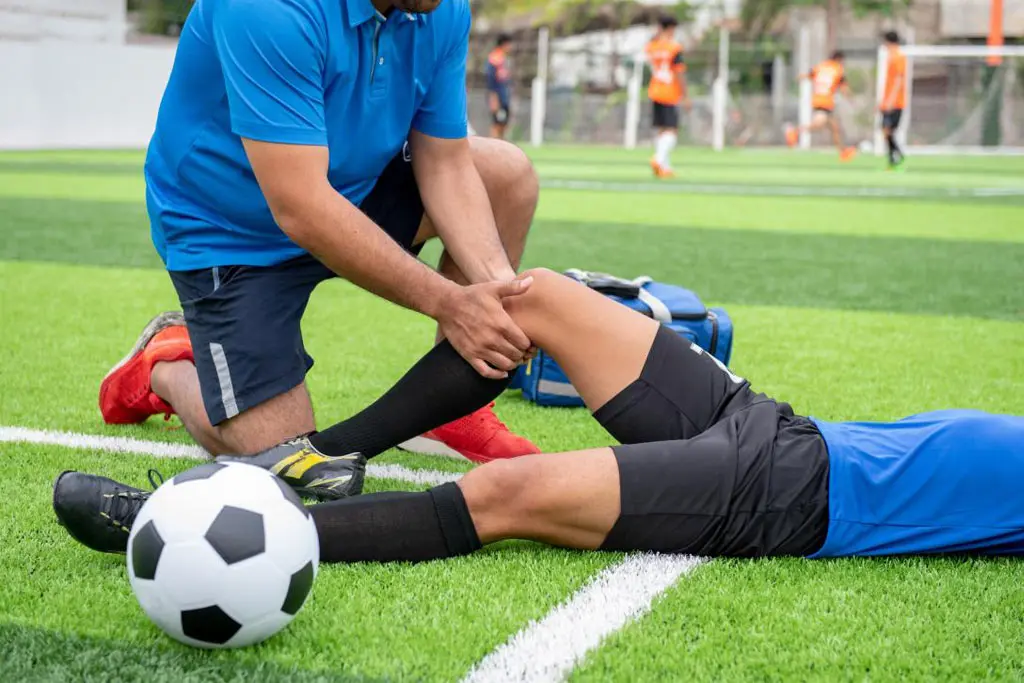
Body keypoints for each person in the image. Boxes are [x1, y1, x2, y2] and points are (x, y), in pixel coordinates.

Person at [57, 269, 1024, 560]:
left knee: (508, 489)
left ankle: (176, 526)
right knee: (534, 299)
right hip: (783, 429)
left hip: (794, 498)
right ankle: (311, 456)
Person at [100, 0, 543, 501]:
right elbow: (302, 206)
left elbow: (444, 162)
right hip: (230, 231)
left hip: (351, 188)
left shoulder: (439, 8)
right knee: (281, 453)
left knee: (504, 174)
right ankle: (166, 362)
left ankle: (455, 409)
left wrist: (501, 298)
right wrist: (450, 303)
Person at [786, 51, 858, 162]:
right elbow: (844, 88)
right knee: (818, 125)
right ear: (839, 59)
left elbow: (808, 75)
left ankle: (843, 152)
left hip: (818, 99)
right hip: (826, 101)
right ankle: (795, 131)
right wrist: (851, 99)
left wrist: (800, 77)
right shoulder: (838, 69)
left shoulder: (821, 66)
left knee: (835, 128)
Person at [646, 16, 691, 178]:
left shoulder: (652, 46)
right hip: (669, 92)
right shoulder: (674, 48)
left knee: (662, 130)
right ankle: (658, 159)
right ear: (671, 28)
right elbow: (679, 72)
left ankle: (664, 167)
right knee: (671, 131)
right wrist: (685, 96)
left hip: (655, 90)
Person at [880, 31, 907, 170]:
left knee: (887, 129)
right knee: (886, 130)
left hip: (896, 102)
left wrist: (891, 100)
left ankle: (895, 156)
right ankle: (896, 156)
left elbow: (898, 79)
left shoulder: (898, 57)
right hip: (889, 101)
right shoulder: (891, 57)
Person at [486, 34, 514, 140]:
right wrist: (493, 98)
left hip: (504, 97)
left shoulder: (504, 59)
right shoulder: (494, 59)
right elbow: (491, 81)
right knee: (497, 124)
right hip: (497, 97)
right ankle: (493, 148)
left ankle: (501, 147)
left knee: (504, 123)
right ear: (504, 44)